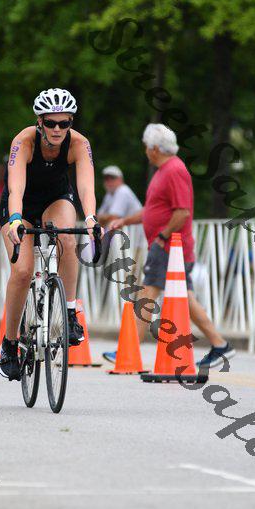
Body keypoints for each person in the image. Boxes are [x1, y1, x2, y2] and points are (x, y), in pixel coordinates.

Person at [104, 123, 235, 369]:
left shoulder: (174, 170)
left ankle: (128, 349)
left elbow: (182, 212)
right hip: (169, 247)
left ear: (155, 148)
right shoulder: (163, 171)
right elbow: (152, 210)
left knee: (147, 294)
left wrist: (162, 238)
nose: (145, 150)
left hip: (170, 247)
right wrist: (125, 221)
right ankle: (220, 345)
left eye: (146, 146)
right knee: (185, 299)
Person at [0, 88, 102, 380]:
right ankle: (10, 344)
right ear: (40, 122)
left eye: (64, 123)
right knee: (22, 272)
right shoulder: (24, 141)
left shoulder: (79, 143)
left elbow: (86, 187)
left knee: (67, 238)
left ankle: (69, 312)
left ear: (70, 122)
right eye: (51, 123)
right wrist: (15, 220)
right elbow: (16, 187)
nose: (57, 129)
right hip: (21, 204)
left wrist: (91, 218)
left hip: (55, 198)